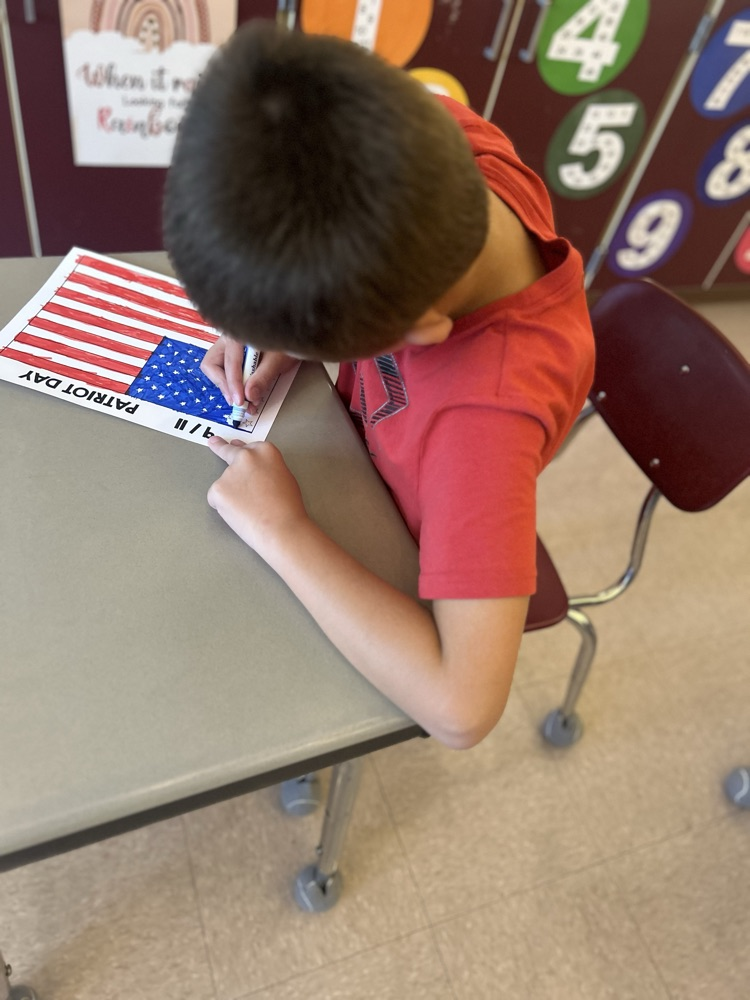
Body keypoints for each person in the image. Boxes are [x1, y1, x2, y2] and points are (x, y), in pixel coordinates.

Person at [163, 20, 595, 749]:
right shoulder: (443, 142)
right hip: (364, 459)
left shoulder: (481, 425)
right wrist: (269, 317)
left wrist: (283, 530)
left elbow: (462, 709)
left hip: (401, 538)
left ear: (418, 332)